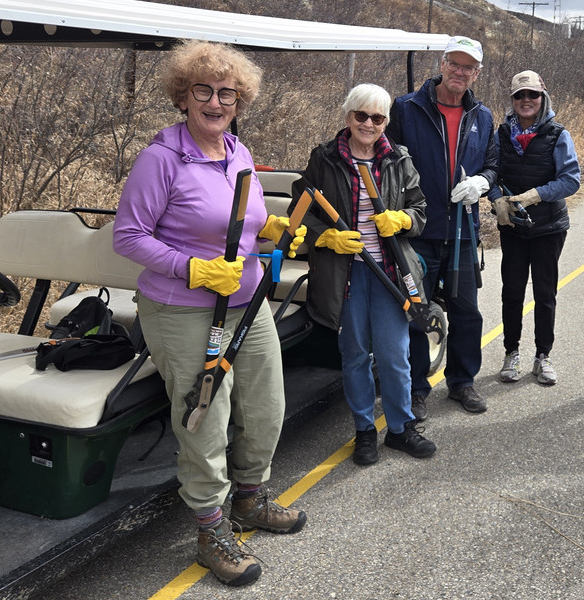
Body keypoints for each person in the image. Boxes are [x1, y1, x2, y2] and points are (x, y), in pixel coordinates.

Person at [113, 40, 307, 587]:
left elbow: (244, 216)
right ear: (184, 96)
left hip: (248, 301)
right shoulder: (162, 158)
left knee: (267, 405)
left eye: (227, 93)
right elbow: (128, 237)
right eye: (204, 91)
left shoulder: (236, 150)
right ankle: (210, 528)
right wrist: (191, 269)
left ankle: (250, 499)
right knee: (206, 417)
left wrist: (267, 228)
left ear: (239, 100)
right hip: (183, 308)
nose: (215, 102)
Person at [294, 83, 436, 466]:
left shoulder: (399, 159)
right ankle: (363, 431)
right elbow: (300, 210)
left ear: (386, 121)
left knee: (394, 356)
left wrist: (403, 218)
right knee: (355, 355)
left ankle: (401, 428)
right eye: (361, 115)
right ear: (348, 116)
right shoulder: (323, 159)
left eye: (378, 117)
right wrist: (328, 237)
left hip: (390, 272)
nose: (369, 124)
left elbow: (420, 209)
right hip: (346, 274)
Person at [385, 36, 498, 418]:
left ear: (477, 73)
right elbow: (385, 162)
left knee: (467, 312)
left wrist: (482, 182)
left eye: (468, 67)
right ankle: (416, 388)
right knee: (417, 312)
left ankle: (462, 383)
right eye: (455, 63)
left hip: (464, 232)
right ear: (442, 63)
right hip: (417, 232)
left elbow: (494, 166)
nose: (460, 72)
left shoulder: (482, 116)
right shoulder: (405, 108)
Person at [488, 70, 581, 385]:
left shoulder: (558, 135)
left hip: (549, 227)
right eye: (519, 95)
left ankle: (543, 356)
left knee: (545, 293)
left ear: (543, 97)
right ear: (512, 100)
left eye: (532, 95)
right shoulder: (501, 134)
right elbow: (492, 174)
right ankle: (510, 352)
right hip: (513, 228)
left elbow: (571, 180)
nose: (526, 101)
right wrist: (498, 199)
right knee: (511, 292)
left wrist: (535, 195)